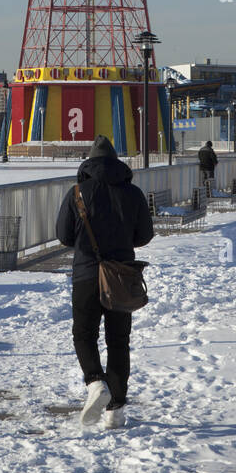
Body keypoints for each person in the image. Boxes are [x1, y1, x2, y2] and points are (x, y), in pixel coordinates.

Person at [55, 135, 153, 430]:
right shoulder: (133, 193)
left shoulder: (77, 193)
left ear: (89, 162)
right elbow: (144, 236)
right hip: (121, 276)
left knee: (84, 334)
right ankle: (116, 410)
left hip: (86, 274)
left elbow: (63, 235)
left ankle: (95, 381)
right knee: (118, 341)